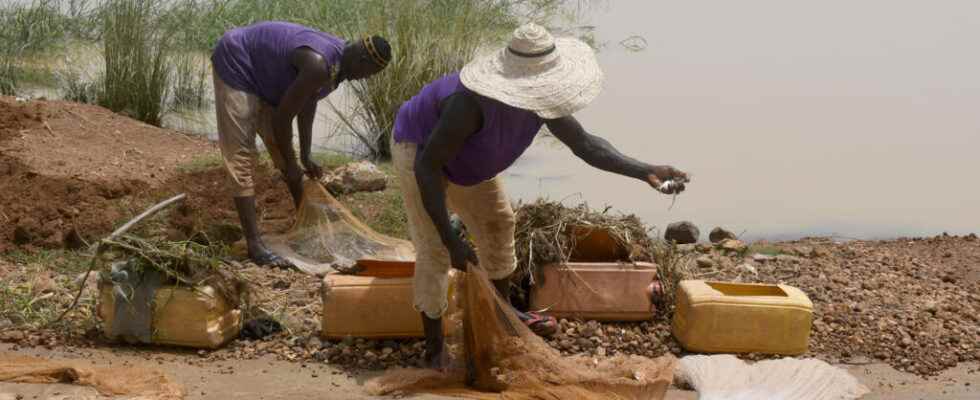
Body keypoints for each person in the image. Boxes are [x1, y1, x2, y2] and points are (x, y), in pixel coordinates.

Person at [391, 23, 689, 369]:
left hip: (470, 162)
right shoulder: (468, 105)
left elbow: (586, 145)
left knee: (499, 223)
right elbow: (428, 167)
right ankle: (434, 349)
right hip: (421, 153)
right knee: (435, 250)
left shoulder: (542, 102)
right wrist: (450, 238)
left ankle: (501, 318)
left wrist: (644, 170)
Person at [210, 21, 391, 267]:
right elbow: (282, 118)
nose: (364, 79)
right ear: (361, 60)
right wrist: (292, 162)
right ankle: (254, 244)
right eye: (368, 74)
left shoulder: (338, 67)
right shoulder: (320, 63)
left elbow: (308, 101)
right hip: (238, 60)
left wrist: (304, 157)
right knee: (241, 154)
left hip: (264, 78)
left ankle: (306, 225)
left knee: (286, 156)